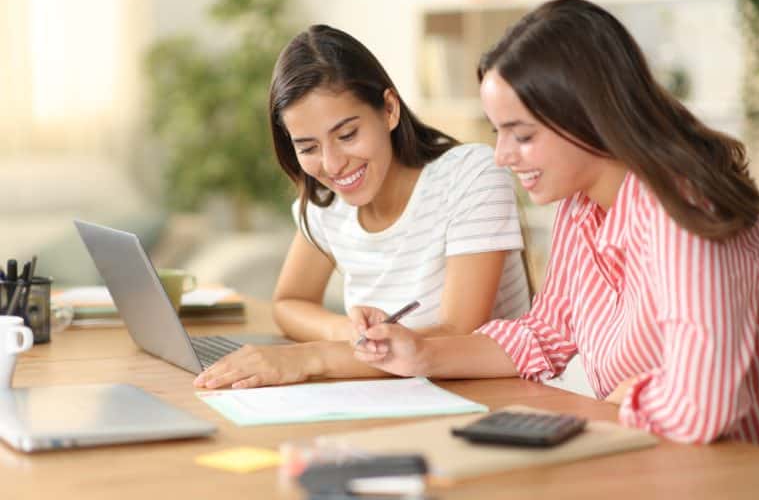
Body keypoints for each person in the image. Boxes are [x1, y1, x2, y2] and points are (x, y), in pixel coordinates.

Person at [353, 0, 759, 446]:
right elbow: (545, 333)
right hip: (658, 460)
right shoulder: (580, 207)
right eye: (499, 133)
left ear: (588, 115)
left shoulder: (680, 210)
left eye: (523, 135)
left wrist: (629, 398)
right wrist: (421, 353)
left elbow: (700, 411)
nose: (503, 156)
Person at [193, 25, 531, 390]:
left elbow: (457, 335)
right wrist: (348, 331)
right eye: (308, 148)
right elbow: (289, 302)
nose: (333, 164)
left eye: (347, 135)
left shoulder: (471, 174)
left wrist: (312, 357)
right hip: (389, 395)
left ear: (388, 109)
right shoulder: (327, 203)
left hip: (485, 400)